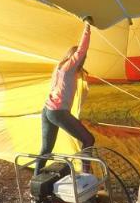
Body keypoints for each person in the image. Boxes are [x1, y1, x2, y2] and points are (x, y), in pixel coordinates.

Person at [37, 17, 96, 173]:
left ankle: (35, 182)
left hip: (47, 110)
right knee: (88, 139)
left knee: (46, 150)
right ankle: (86, 176)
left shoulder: (60, 67)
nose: (82, 61)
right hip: (58, 113)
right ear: (75, 57)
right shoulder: (70, 66)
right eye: (82, 60)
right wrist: (87, 27)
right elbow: (82, 49)